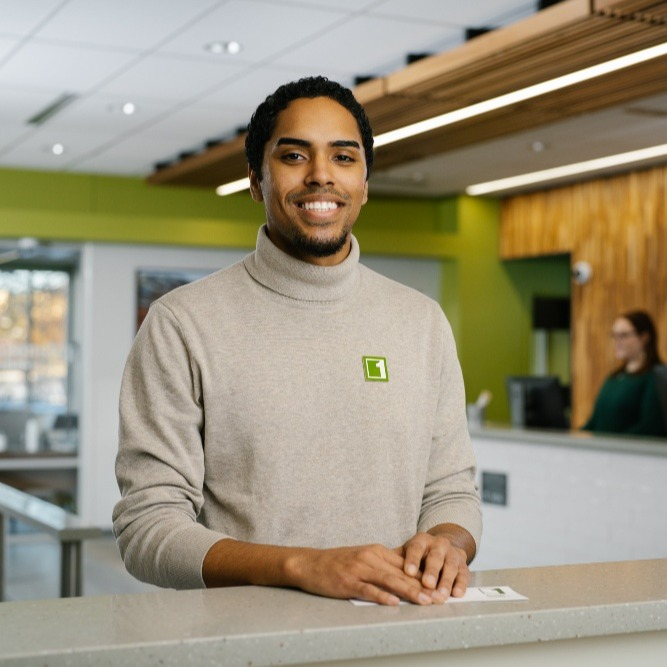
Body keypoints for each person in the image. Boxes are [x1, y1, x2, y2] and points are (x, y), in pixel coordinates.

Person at [113, 76, 482, 607]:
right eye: (293, 156)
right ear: (256, 181)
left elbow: (452, 490)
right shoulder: (182, 322)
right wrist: (302, 565)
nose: (321, 176)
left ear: (365, 182)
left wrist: (449, 542)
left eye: (343, 157)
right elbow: (147, 528)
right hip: (247, 646)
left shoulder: (421, 321)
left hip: (399, 640)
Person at [583, 310, 666, 437]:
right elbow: (595, 421)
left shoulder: (656, 377)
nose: (617, 341)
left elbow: (651, 426)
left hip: (629, 454)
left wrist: (614, 446)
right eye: (614, 335)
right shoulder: (614, 377)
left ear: (644, 337)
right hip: (602, 452)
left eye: (623, 335)